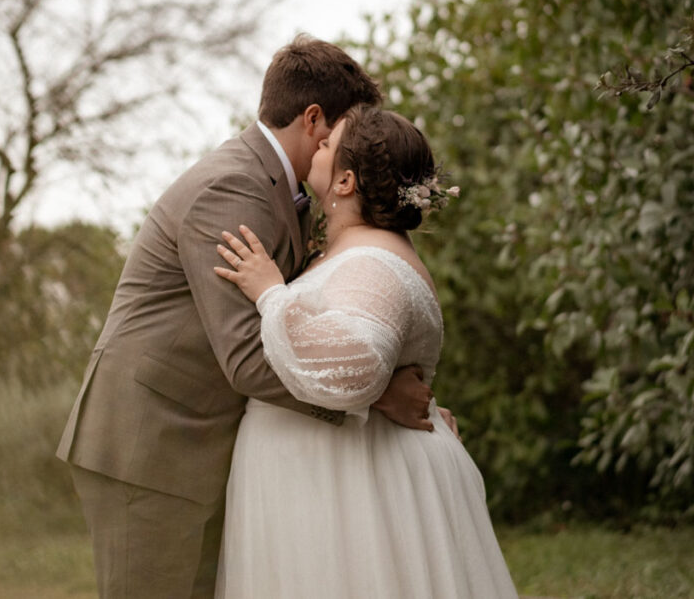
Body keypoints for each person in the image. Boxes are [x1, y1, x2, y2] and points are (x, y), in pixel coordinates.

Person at [55, 36, 454, 598]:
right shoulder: (234, 185)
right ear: (313, 119)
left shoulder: (281, 188)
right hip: (150, 449)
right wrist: (376, 395)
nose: (342, 149)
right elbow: (245, 357)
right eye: (341, 132)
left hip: (193, 445)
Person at [212, 105, 517, 598]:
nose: (319, 143)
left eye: (329, 144)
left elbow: (355, 367)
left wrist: (271, 293)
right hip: (334, 476)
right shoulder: (363, 251)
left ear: (346, 181)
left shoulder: (372, 259)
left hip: (349, 486)